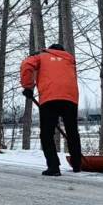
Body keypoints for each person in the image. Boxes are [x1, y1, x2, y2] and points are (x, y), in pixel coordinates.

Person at [21, 43, 82, 176]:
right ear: (62, 51)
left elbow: (26, 65)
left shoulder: (41, 56)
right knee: (72, 131)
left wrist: (28, 86)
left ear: (50, 50)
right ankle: (77, 165)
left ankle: (54, 167)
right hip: (70, 98)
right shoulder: (69, 59)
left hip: (49, 98)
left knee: (47, 134)